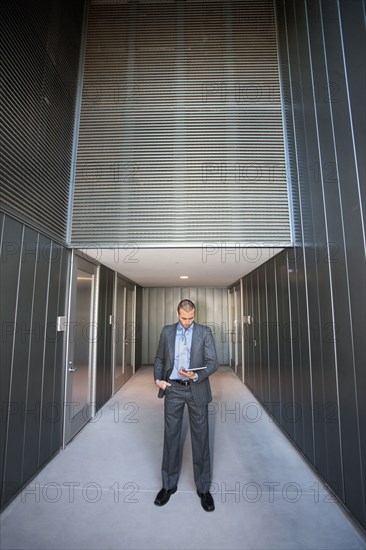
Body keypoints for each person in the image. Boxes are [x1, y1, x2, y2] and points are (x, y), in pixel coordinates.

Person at [154, 299, 219, 512]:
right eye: (184, 318)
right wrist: (158, 379)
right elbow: (160, 359)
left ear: (195, 315)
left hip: (196, 389)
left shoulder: (204, 332)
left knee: (201, 438)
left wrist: (196, 374)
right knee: (171, 436)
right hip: (172, 389)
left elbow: (213, 362)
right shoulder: (167, 332)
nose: (187, 322)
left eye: (191, 318)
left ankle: (203, 489)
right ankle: (168, 485)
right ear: (177, 314)